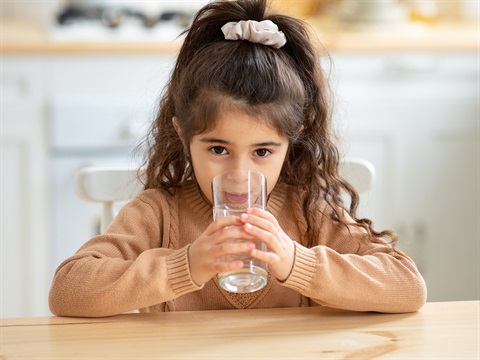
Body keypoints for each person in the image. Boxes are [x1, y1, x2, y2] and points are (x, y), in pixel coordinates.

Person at [49, 0, 426, 317]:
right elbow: (68, 291)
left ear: (292, 141)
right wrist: (184, 266)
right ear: (184, 135)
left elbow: (408, 287)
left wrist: (299, 264)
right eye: (218, 150)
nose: (238, 174)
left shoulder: (308, 211)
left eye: (262, 151)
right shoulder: (157, 214)